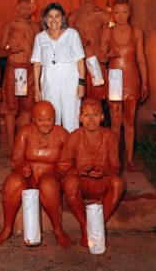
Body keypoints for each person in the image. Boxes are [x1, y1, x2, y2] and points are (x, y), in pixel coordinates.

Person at [0, 101, 73, 247]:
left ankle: (58, 229)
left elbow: (70, 162)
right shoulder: (25, 133)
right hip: (28, 178)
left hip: (51, 179)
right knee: (12, 182)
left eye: (49, 119)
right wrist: (22, 168)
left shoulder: (62, 134)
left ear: (54, 117)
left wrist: (65, 167)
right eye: (41, 120)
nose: (46, 124)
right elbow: (15, 161)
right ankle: (7, 228)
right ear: (33, 119)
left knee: (47, 184)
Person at [62, 99, 124, 247]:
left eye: (95, 115)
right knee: (69, 183)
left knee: (118, 183)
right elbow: (62, 166)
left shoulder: (110, 137)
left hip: (101, 183)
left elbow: (115, 168)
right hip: (82, 184)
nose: (91, 120)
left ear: (102, 117)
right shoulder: (74, 136)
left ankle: (97, 226)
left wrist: (104, 171)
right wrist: (78, 171)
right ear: (80, 118)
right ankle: (85, 227)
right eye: (87, 115)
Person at [98, 0, 148, 171]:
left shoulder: (137, 32)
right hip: (114, 80)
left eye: (124, 12)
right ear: (113, 14)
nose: (120, 15)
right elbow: (101, 57)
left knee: (130, 122)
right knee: (115, 122)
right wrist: (108, 54)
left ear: (129, 13)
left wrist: (145, 82)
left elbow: (140, 59)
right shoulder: (107, 32)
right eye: (117, 12)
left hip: (132, 80)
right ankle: (114, 160)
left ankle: (129, 159)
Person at [31, 2, 85, 133]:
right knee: (50, 116)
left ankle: (71, 150)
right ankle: (54, 151)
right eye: (50, 16)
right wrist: (37, 89)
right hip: (49, 84)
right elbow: (37, 64)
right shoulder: (39, 38)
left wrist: (81, 83)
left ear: (63, 18)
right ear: (45, 19)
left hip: (70, 83)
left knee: (71, 117)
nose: (53, 20)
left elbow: (80, 61)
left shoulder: (72, 34)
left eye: (57, 16)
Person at [0, 0, 39, 151]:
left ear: (34, 7)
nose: (26, 9)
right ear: (17, 7)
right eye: (23, 6)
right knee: (10, 107)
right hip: (14, 68)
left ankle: (24, 141)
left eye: (30, 6)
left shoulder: (36, 26)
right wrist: (10, 50)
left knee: (27, 106)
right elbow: (0, 52)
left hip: (29, 69)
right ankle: (10, 143)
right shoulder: (10, 25)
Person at [68, 0, 111, 101]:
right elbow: (69, 40)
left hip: (97, 60)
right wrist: (78, 41)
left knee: (97, 97)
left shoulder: (103, 15)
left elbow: (108, 39)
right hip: (78, 61)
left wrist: (104, 56)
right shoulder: (73, 16)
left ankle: (98, 119)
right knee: (77, 97)